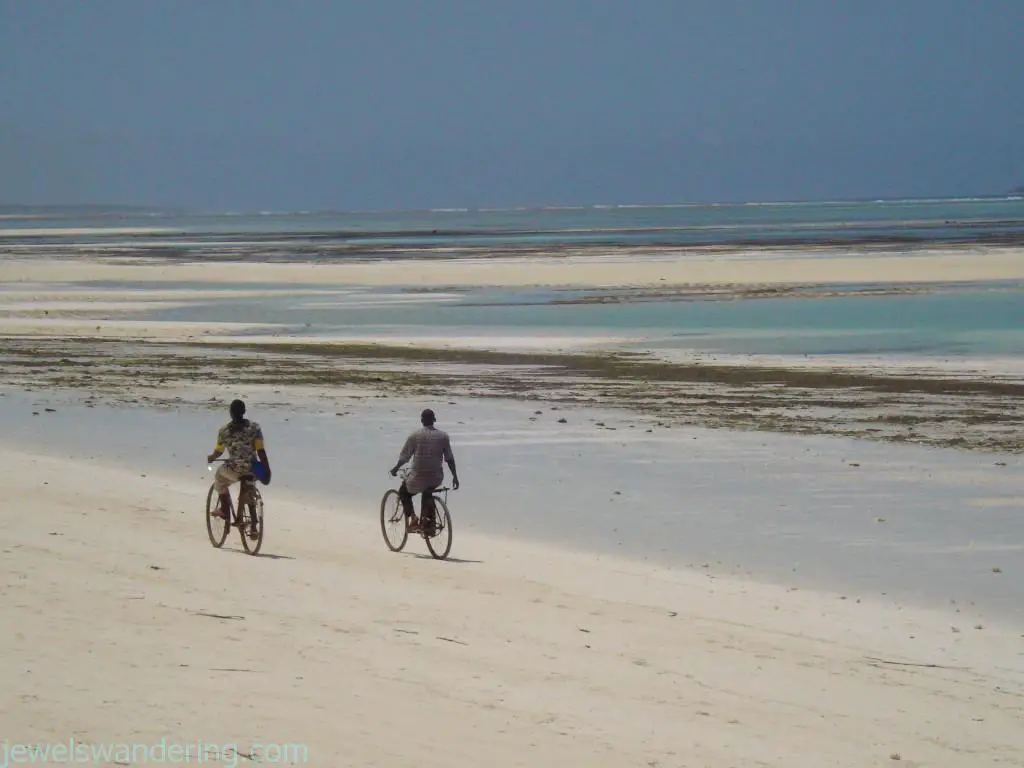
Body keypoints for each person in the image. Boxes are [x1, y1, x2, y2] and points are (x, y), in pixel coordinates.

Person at [207, 399, 271, 538]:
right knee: (250, 488)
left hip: (234, 469)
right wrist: (267, 469)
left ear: (230, 413)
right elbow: (261, 451)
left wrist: (212, 457)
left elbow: (219, 450)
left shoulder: (224, 431)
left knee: (219, 477)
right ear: (244, 412)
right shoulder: (255, 428)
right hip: (252, 468)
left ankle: (224, 509)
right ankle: (254, 525)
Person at [389, 408, 459, 532]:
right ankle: (428, 524)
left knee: (403, 493)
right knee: (428, 492)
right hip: (436, 478)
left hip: (417, 478)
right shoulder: (443, 436)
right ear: (434, 420)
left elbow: (405, 458)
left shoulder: (414, 436)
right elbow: (449, 459)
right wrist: (455, 476)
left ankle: (413, 519)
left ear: (421, 421)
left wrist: (395, 468)